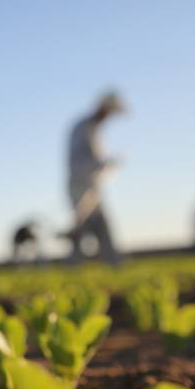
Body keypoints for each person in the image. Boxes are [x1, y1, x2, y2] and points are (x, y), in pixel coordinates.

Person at [62, 91, 125, 264]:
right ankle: (74, 268)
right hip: (80, 187)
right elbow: (83, 159)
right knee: (82, 229)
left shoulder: (93, 128)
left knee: (101, 227)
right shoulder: (84, 128)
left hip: (92, 187)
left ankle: (114, 265)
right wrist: (107, 163)